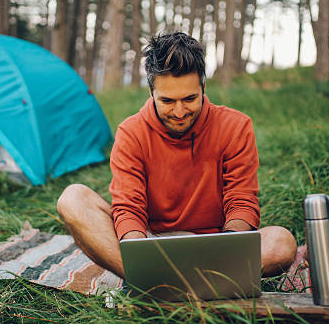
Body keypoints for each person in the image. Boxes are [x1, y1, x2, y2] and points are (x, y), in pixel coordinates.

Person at [57, 32, 297, 279]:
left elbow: (241, 201)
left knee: (281, 243)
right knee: (72, 198)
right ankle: (149, 278)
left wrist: (228, 247)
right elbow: (129, 209)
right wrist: (139, 252)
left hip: (215, 246)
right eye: (168, 101)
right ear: (151, 92)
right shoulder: (131, 132)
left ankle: (175, 283)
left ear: (203, 86)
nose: (180, 112)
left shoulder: (236, 126)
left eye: (190, 99)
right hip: (152, 244)